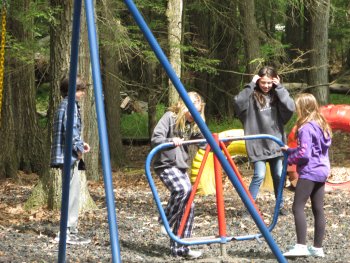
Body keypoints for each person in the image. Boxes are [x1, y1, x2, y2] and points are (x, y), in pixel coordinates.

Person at [233, 66, 295, 215]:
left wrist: (280, 88)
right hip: (258, 144)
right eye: (263, 83)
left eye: (269, 83)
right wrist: (251, 85)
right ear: (258, 81)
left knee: (279, 176)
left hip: (275, 143)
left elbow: (290, 107)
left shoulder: (276, 95)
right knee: (259, 175)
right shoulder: (251, 96)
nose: (266, 86)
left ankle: (280, 207)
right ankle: (249, 209)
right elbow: (237, 103)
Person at [151, 91, 205, 259]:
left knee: (189, 206)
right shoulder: (170, 117)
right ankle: (165, 220)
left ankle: (181, 249)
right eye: (190, 110)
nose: (192, 114)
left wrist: (217, 141)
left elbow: (203, 141)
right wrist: (170, 141)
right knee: (183, 189)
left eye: (196, 110)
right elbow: (156, 137)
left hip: (180, 167)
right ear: (183, 107)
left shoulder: (193, 124)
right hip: (165, 164)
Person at [282, 93, 332, 258]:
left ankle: (301, 246)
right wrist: (290, 150)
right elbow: (312, 149)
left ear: (302, 108)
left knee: (297, 207)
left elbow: (304, 154)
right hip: (322, 170)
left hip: (310, 171)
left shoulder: (305, 127)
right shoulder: (322, 124)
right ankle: (318, 248)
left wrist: (290, 158)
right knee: (318, 209)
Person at [50, 75, 91, 245]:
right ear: (72, 91)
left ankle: (70, 229)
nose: (83, 94)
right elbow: (70, 132)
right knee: (71, 194)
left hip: (66, 155)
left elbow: (71, 131)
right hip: (68, 157)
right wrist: (79, 149)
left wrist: (81, 144)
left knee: (72, 192)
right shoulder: (70, 107)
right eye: (81, 90)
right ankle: (67, 231)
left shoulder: (66, 106)